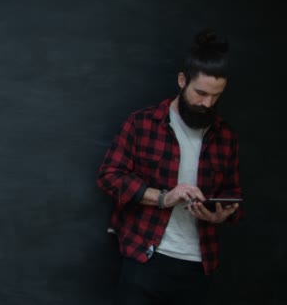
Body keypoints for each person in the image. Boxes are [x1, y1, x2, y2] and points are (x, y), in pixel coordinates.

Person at [96, 28, 245, 305]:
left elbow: (234, 195)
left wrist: (221, 215)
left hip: (200, 266)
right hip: (144, 257)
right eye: (200, 93)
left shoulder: (226, 136)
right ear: (181, 80)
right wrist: (164, 197)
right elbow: (109, 177)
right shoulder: (142, 123)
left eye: (216, 96)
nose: (207, 103)